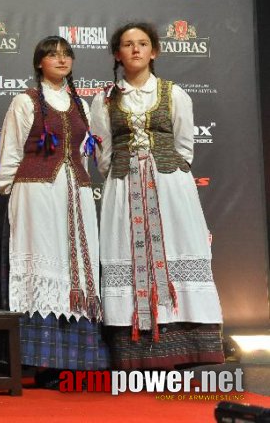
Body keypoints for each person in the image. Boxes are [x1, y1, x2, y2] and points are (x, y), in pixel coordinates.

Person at [90, 22, 223, 369]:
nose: (135, 49)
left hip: (170, 187)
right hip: (123, 188)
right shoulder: (104, 99)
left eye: (143, 43)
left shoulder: (173, 93)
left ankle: (189, 344)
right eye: (128, 44)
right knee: (127, 256)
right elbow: (103, 156)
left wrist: (161, 173)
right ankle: (134, 349)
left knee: (176, 249)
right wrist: (127, 174)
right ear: (117, 54)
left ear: (154, 51)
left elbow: (184, 148)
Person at [0, 36, 109, 388]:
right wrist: (10, 189)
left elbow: (85, 153)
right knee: (44, 262)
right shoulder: (24, 101)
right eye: (52, 55)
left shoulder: (82, 105)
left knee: (76, 267)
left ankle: (77, 360)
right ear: (39, 63)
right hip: (37, 194)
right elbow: (12, 151)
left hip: (74, 193)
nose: (60, 60)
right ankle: (42, 361)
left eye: (66, 55)